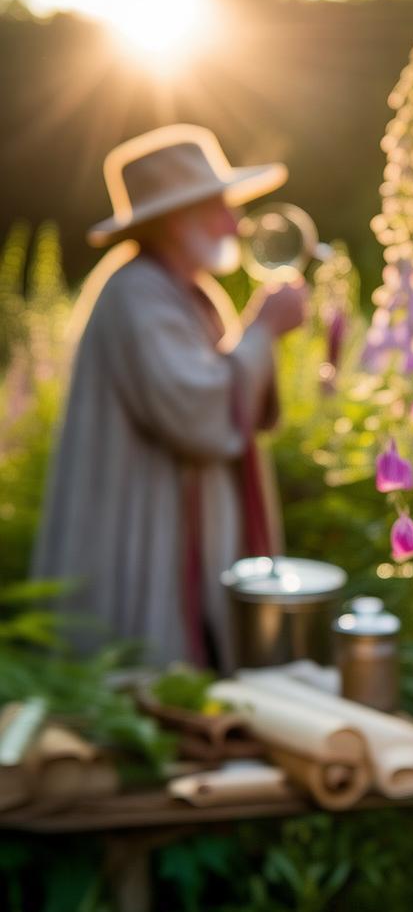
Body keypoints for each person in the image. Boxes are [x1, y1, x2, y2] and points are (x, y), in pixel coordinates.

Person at [32, 124, 308, 669]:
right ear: (180, 220)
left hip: (173, 517)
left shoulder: (182, 290)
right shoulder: (136, 292)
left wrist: (258, 337)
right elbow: (197, 411)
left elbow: (216, 389)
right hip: (139, 528)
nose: (235, 223)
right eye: (220, 208)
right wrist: (262, 330)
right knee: (141, 670)